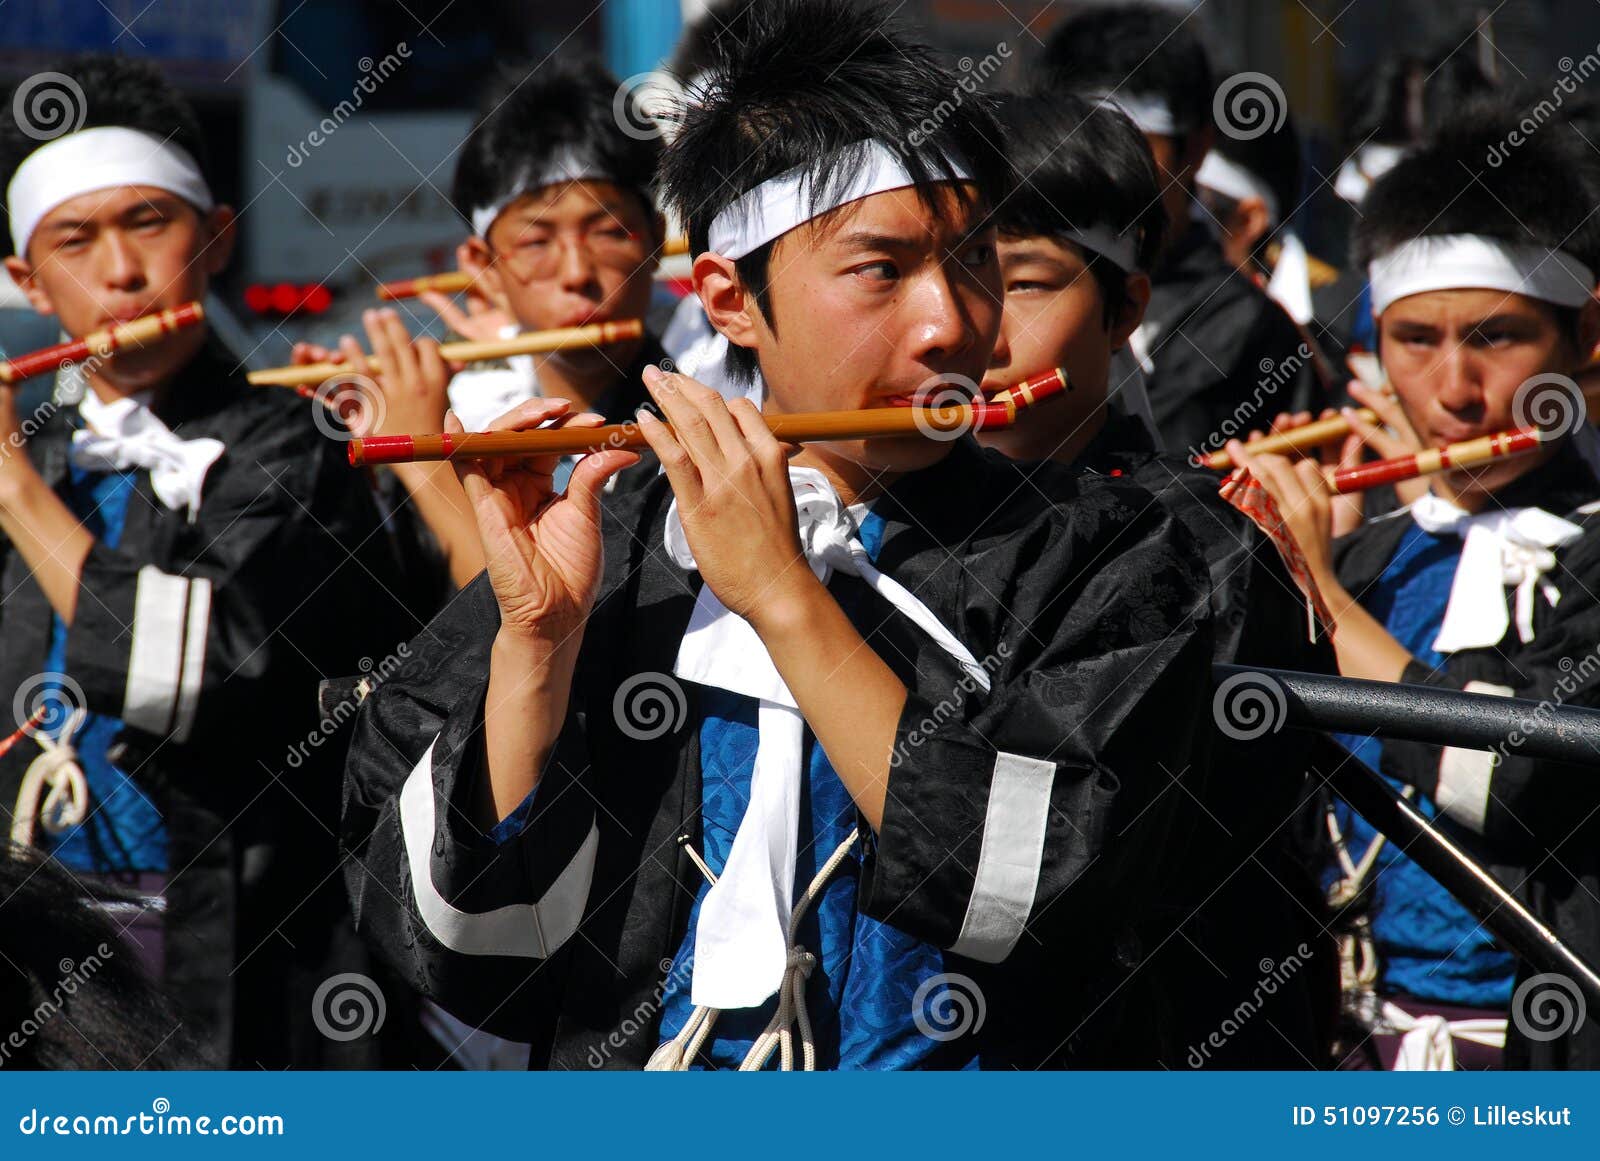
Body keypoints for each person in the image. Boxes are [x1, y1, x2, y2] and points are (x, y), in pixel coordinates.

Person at [343, 0, 1219, 1070]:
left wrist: (786, 598)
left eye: (977, 261)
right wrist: (537, 643)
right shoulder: (616, 546)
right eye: (880, 270)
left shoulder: (1107, 551)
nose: (952, 324)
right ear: (729, 299)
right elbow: (465, 954)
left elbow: (1034, 894)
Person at [0, 55, 414, 1068]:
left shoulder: (291, 441)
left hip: (232, 939)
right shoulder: (37, 450)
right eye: (75, 239)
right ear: (24, 279)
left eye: (150, 223)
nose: (122, 272)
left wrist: (14, 494)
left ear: (217, 236)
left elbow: (203, 667)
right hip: (30, 939)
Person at [1229, 96, 1600, 1070]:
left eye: (1496, 336)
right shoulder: (1367, 550)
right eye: (1413, 340)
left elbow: (1512, 780)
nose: (1453, 391)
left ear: (1584, 336)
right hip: (1353, 1045)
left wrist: (1322, 591)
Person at [977, 91, 1336, 1068]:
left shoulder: (1198, 547)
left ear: (1128, 306)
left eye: (1024, 282)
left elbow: (1040, 880)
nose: (970, 333)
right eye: (932, 275)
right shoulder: (871, 518)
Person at [295, 58, 673, 602]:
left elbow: (538, 625)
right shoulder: (476, 411)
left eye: (610, 231)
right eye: (536, 242)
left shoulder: (702, 412)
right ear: (483, 266)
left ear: (655, 240)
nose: (577, 274)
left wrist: (419, 454)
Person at [1037, 2, 1323, 456]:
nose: (1102, 174)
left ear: (1195, 148)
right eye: (1078, 144)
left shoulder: (1246, 326)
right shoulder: (990, 291)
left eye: (1131, 145)